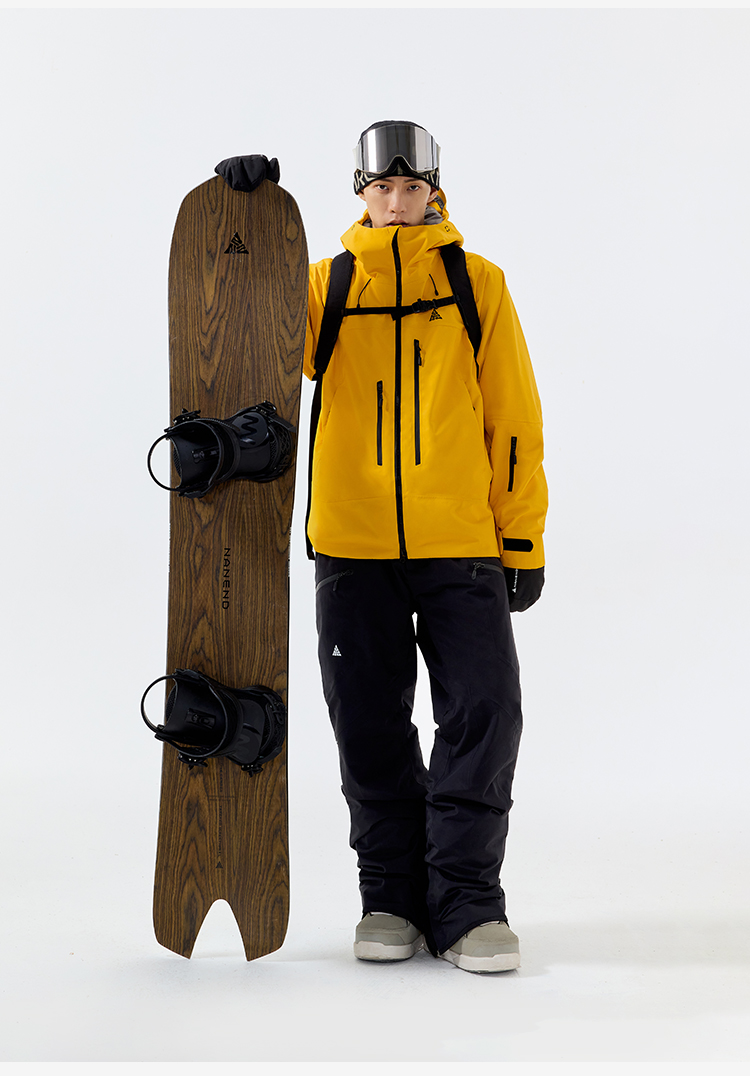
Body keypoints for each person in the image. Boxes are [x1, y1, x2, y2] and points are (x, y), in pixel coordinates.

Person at [302, 120, 547, 974]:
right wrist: (243, 218)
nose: (398, 204)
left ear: (434, 191)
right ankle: (391, 900)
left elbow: (512, 417)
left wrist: (521, 539)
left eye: (412, 189)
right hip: (352, 545)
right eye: (383, 189)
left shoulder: (478, 284)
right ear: (361, 194)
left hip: (460, 543)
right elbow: (254, 342)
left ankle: (469, 906)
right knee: (367, 722)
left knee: (485, 711)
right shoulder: (326, 286)